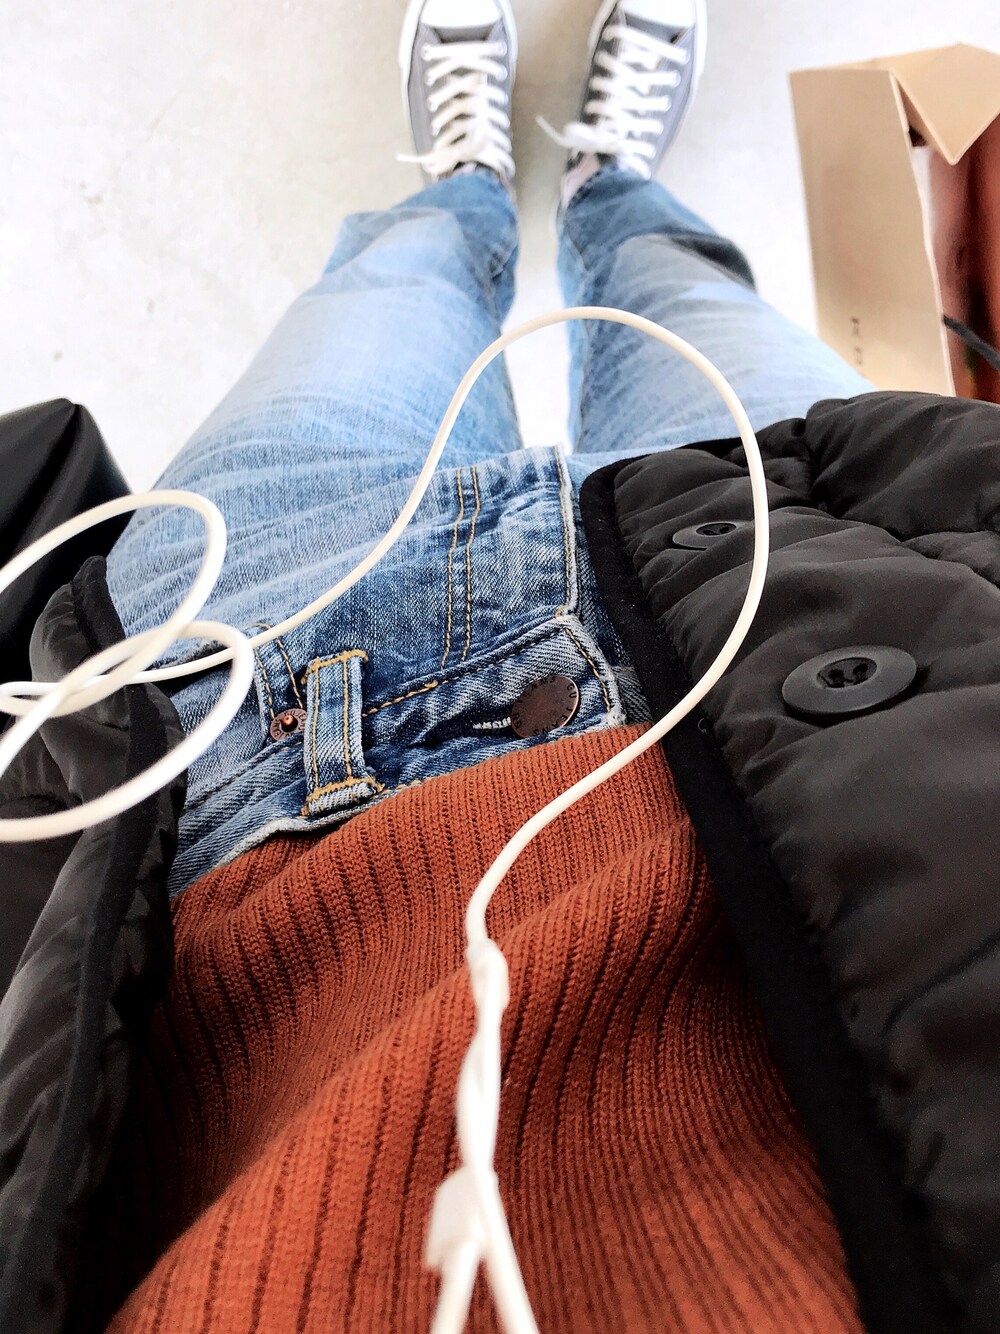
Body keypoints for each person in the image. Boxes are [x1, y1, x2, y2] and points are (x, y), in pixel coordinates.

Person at [2, 2, 998, 1332]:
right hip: (828, 594)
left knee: (391, 284)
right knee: (686, 285)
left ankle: (470, 181)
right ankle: (601, 179)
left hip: (237, 723)